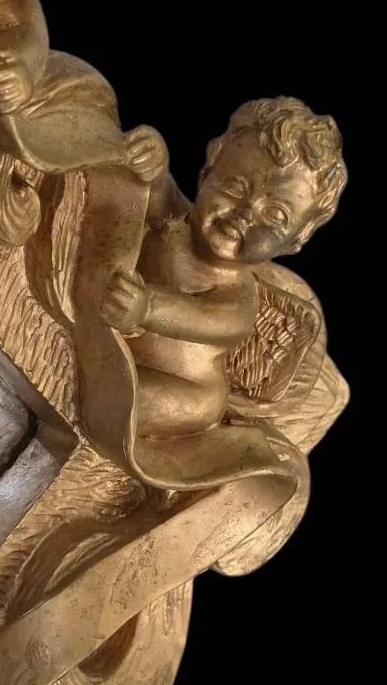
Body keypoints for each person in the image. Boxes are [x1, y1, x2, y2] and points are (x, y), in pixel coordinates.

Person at [98, 97, 348, 437]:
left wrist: (146, 307)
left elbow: (198, 316)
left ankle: (89, 412)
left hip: (178, 381)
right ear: (208, 171)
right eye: (235, 187)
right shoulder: (174, 218)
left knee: (175, 404)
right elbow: (156, 191)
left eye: (274, 215)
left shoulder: (237, 300)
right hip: (111, 330)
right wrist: (153, 161)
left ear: (294, 241)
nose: (245, 214)